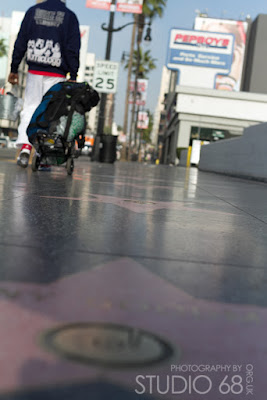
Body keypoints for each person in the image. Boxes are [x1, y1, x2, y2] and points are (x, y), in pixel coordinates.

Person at [8, 0, 81, 168]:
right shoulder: (69, 16)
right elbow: (72, 47)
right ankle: (43, 152)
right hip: (57, 72)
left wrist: (14, 68)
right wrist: (73, 73)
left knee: (30, 107)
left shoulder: (33, 11)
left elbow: (21, 41)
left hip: (34, 69)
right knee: (50, 112)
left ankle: (25, 147)